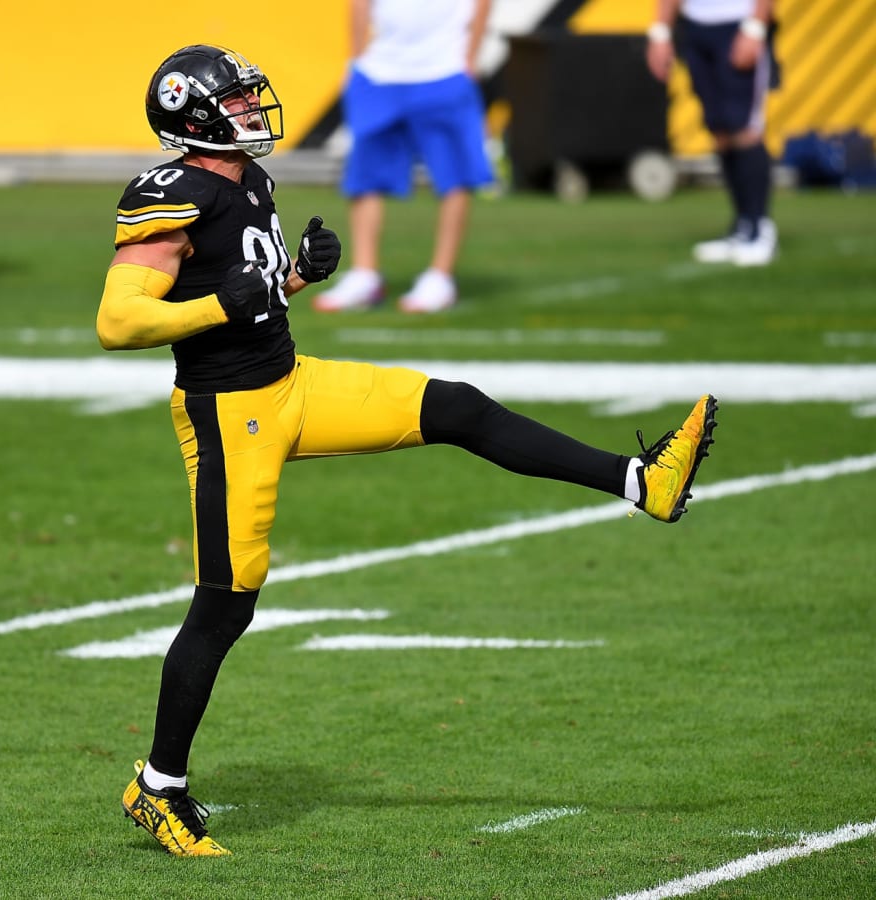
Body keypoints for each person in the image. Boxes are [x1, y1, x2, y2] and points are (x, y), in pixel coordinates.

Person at [99, 44, 718, 857]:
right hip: (230, 413)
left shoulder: (247, 179)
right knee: (227, 599)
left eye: (253, 99)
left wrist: (290, 279)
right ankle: (159, 788)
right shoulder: (170, 192)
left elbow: (242, 286)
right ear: (197, 115)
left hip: (291, 383)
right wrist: (237, 296)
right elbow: (120, 322)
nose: (254, 111)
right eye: (241, 103)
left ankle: (643, 480)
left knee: (454, 407)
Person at [313, 0, 496, 314]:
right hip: (381, 70)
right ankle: (365, 274)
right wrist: (357, 59)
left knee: (455, 175)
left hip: (445, 69)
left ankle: (441, 276)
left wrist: (470, 58)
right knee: (364, 176)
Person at [646, 0, 779, 267]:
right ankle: (741, 226)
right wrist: (661, 31)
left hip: (738, 22)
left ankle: (759, 227)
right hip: (696, 26)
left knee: (744, 128)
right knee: (719, 130)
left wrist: (756, 25)